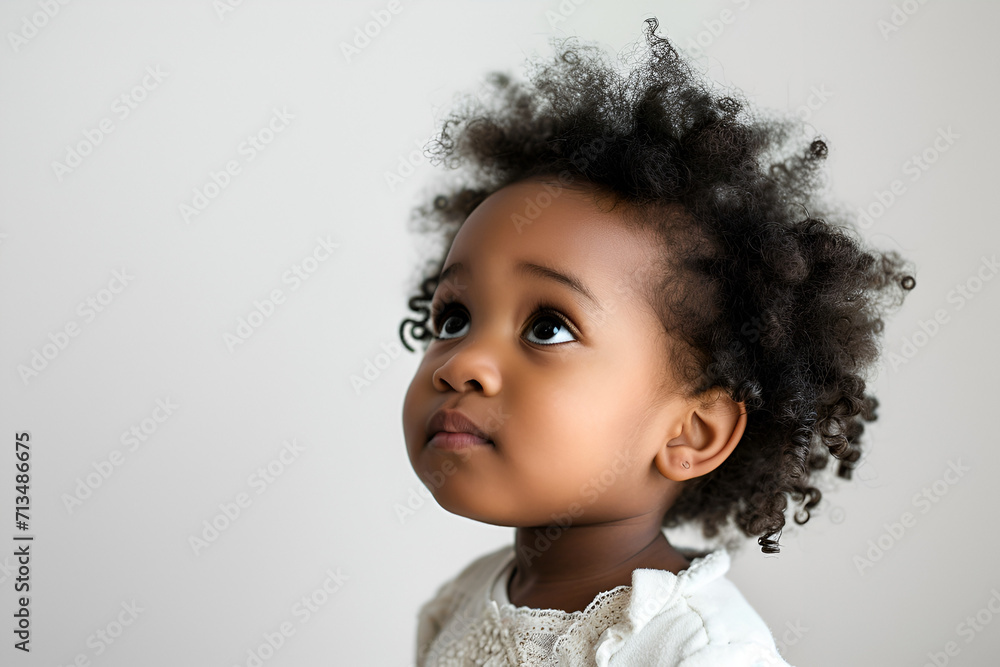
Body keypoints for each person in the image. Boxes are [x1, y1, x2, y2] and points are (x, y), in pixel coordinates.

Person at [398, 16, 914, 666]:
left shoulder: (700, 648)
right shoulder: (464, 600)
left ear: (691, 431)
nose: (463, 362)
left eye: (548, 326)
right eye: (454, 318)